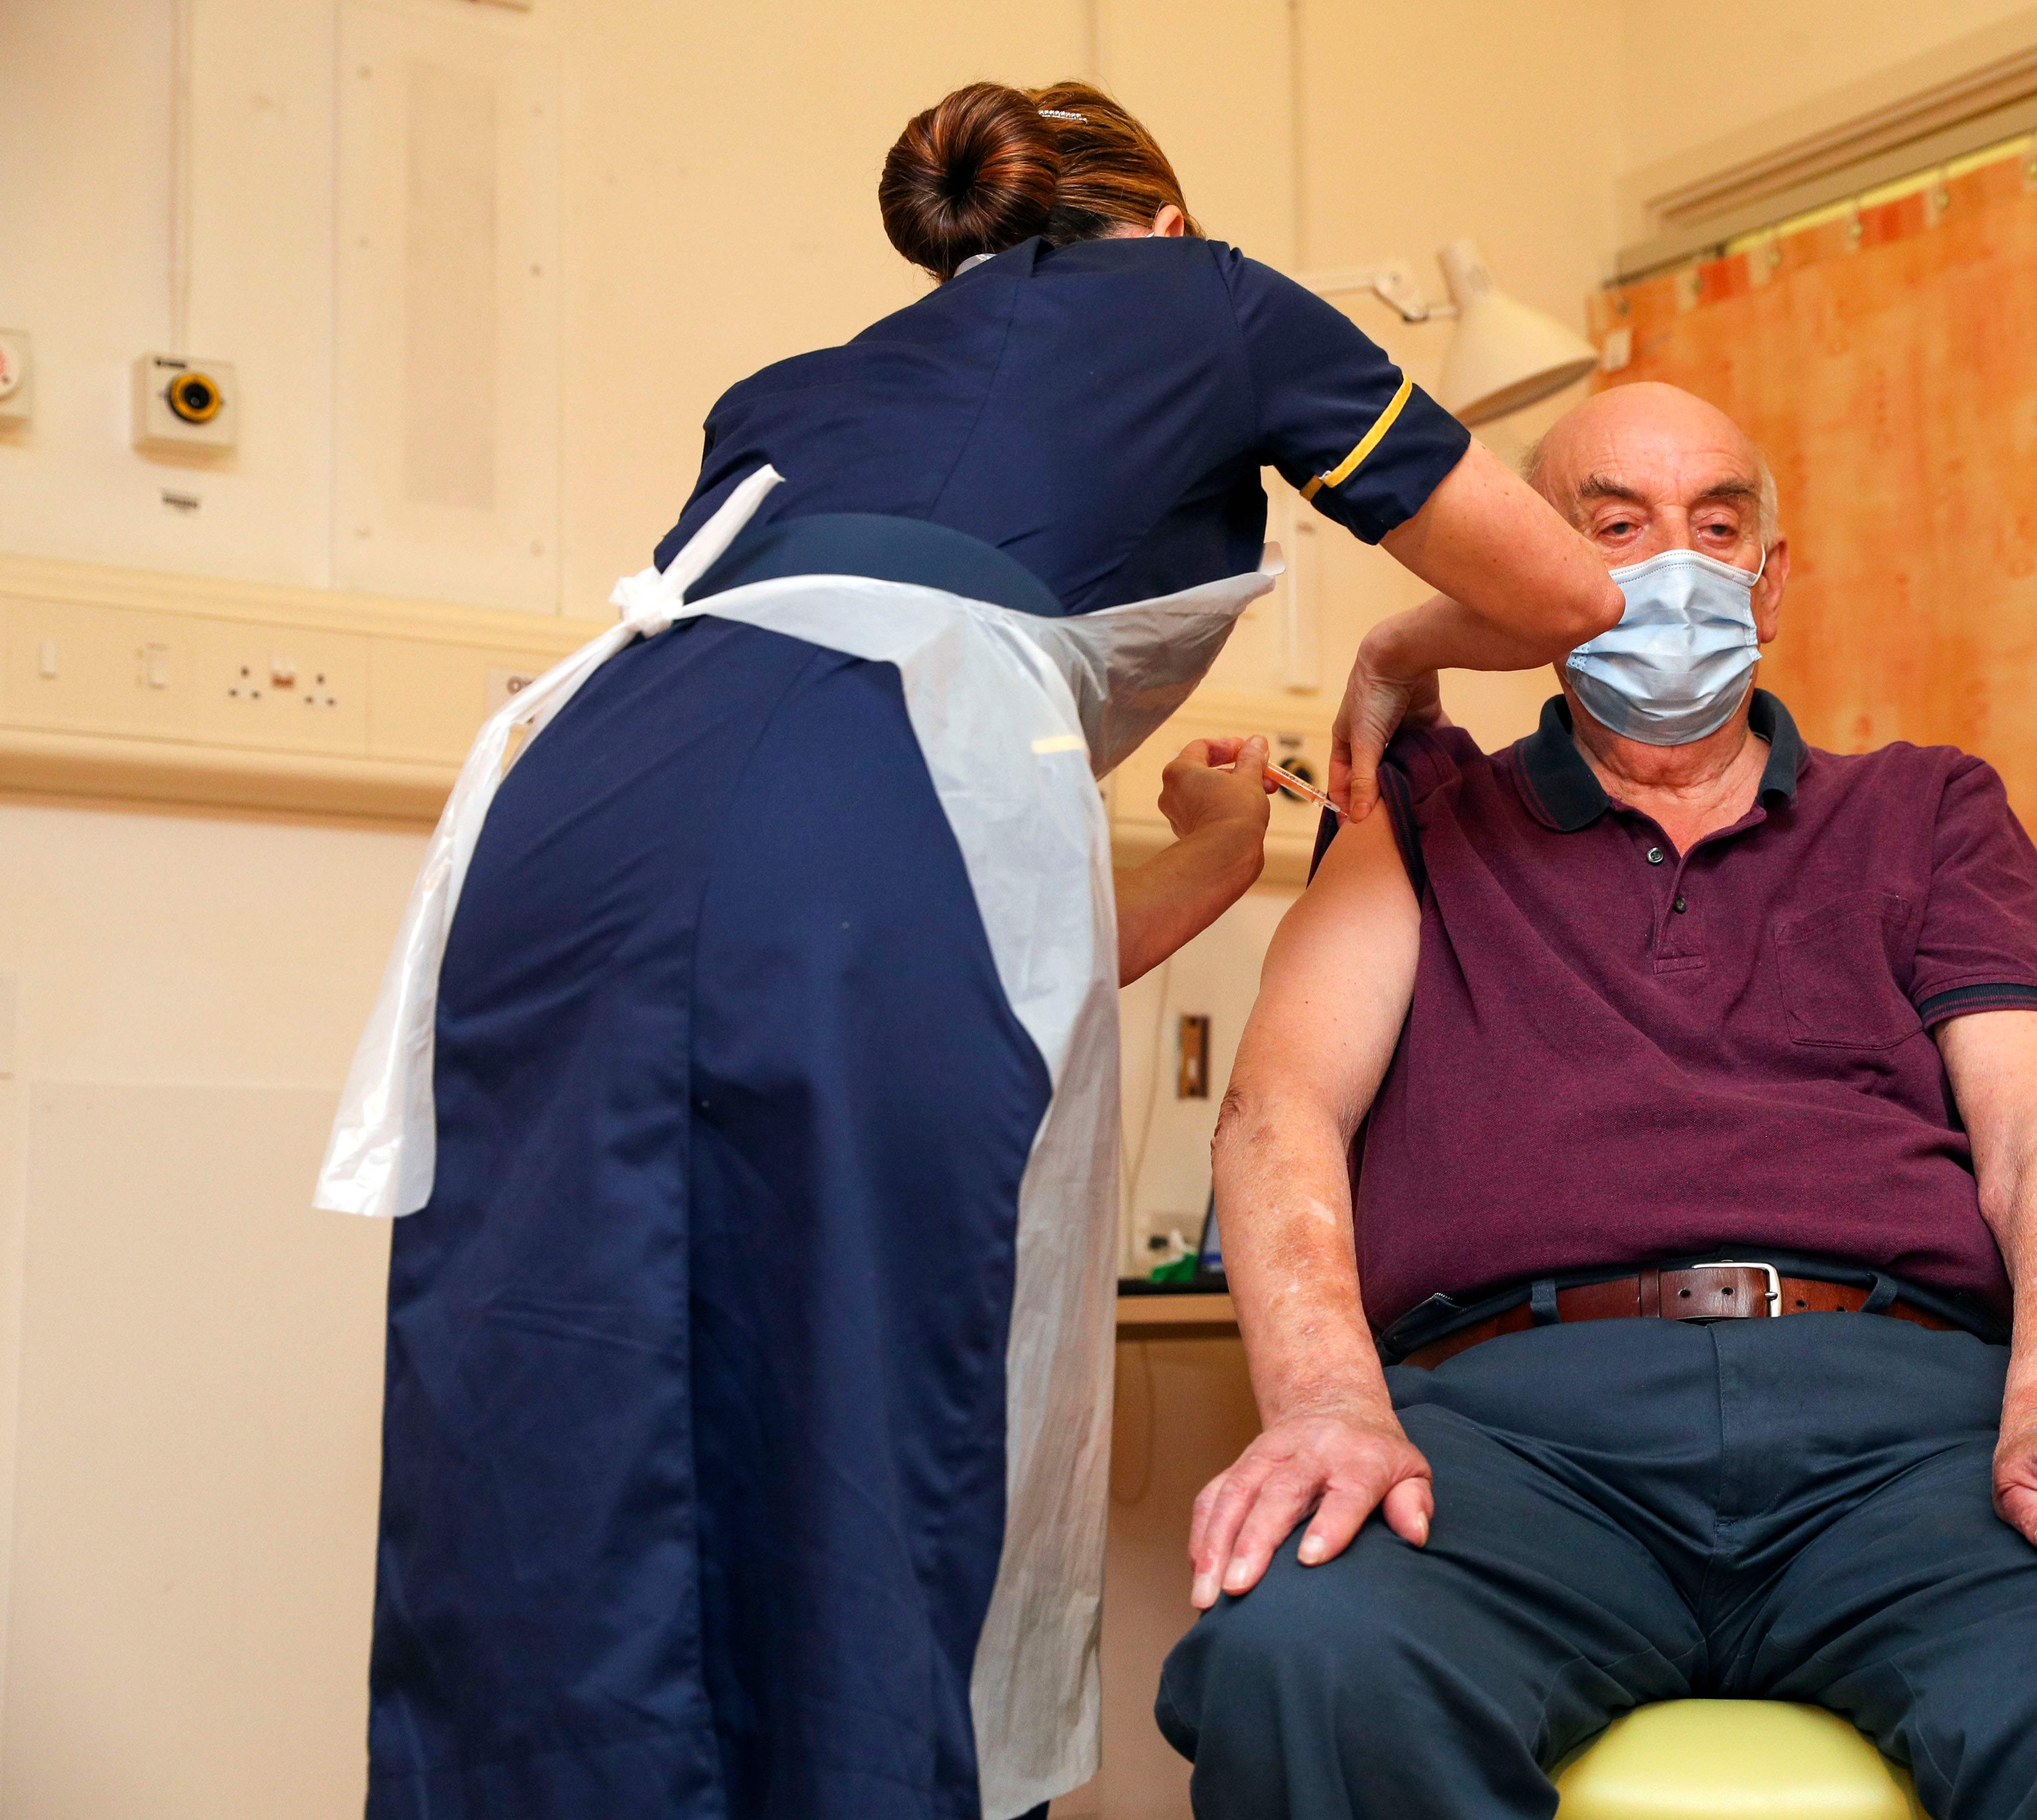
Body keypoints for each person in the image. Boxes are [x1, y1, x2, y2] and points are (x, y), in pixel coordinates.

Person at [324, 81, 1619, 1820]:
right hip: (858, 822)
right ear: (1165, 220)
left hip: (561, 827)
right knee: (867, 1406)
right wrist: (1394, 652)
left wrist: (1211, 859)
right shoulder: (1211, 296)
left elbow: (927, 957)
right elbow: (1565, 596)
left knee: (570, 1392)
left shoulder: (788, 399)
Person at [1156, 382, 2037, 1819]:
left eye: (1717, 526)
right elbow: (1280, 1113)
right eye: (1614, 528)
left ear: (1771, 580)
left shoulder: (1929, 811)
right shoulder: (1433, 821)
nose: (1676, 565)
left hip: (1909, 1437)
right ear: (1531, 574)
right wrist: (1330, 1406)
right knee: (1308, 1654)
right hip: (1518, 1441)